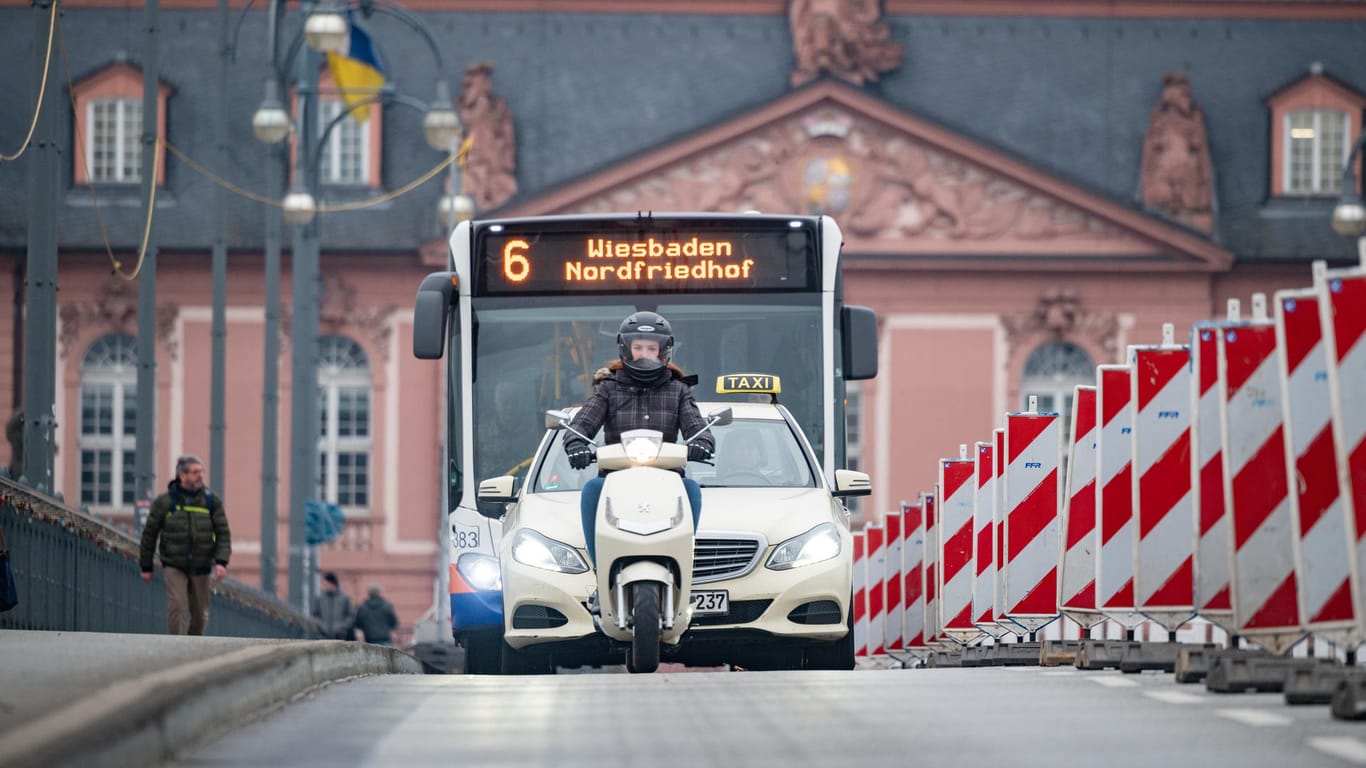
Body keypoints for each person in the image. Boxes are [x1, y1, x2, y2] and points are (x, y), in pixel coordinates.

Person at [564, 312, 715, 566]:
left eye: (651, 348)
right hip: (614, 480)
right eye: (638, 347)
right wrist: (576, 443)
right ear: (626, 349)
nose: (644, 353)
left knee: (691, 490)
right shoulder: (608, 388)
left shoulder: (678, 390)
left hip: (668, 481)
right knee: (592, 490)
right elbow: (581, 423)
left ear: (664, 351)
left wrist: (703, 443)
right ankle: (600, 570)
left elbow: (698, 428)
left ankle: (684, 568)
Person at [139, 455, 232, 635]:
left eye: (201, 472)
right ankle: (177, 647)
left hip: (202, 565)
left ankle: (192, 645)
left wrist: (221, 562)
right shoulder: (165, 502)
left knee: (200, 615)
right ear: (182, 476)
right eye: (195, 472)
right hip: (174, 563)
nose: (200, 476)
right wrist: (146, 566)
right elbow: (149, 534)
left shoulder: (211, 502)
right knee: (178, 607)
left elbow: (223, 533)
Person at [313, 572, 356, 640]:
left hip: (340, 636)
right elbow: (315, 614)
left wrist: (342, 626)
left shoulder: (344, 598)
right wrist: (320, 625)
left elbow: (351, 615)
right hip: (322, 635)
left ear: (332, 583)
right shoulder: (320, 598)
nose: (323, 585)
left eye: (325, 583)